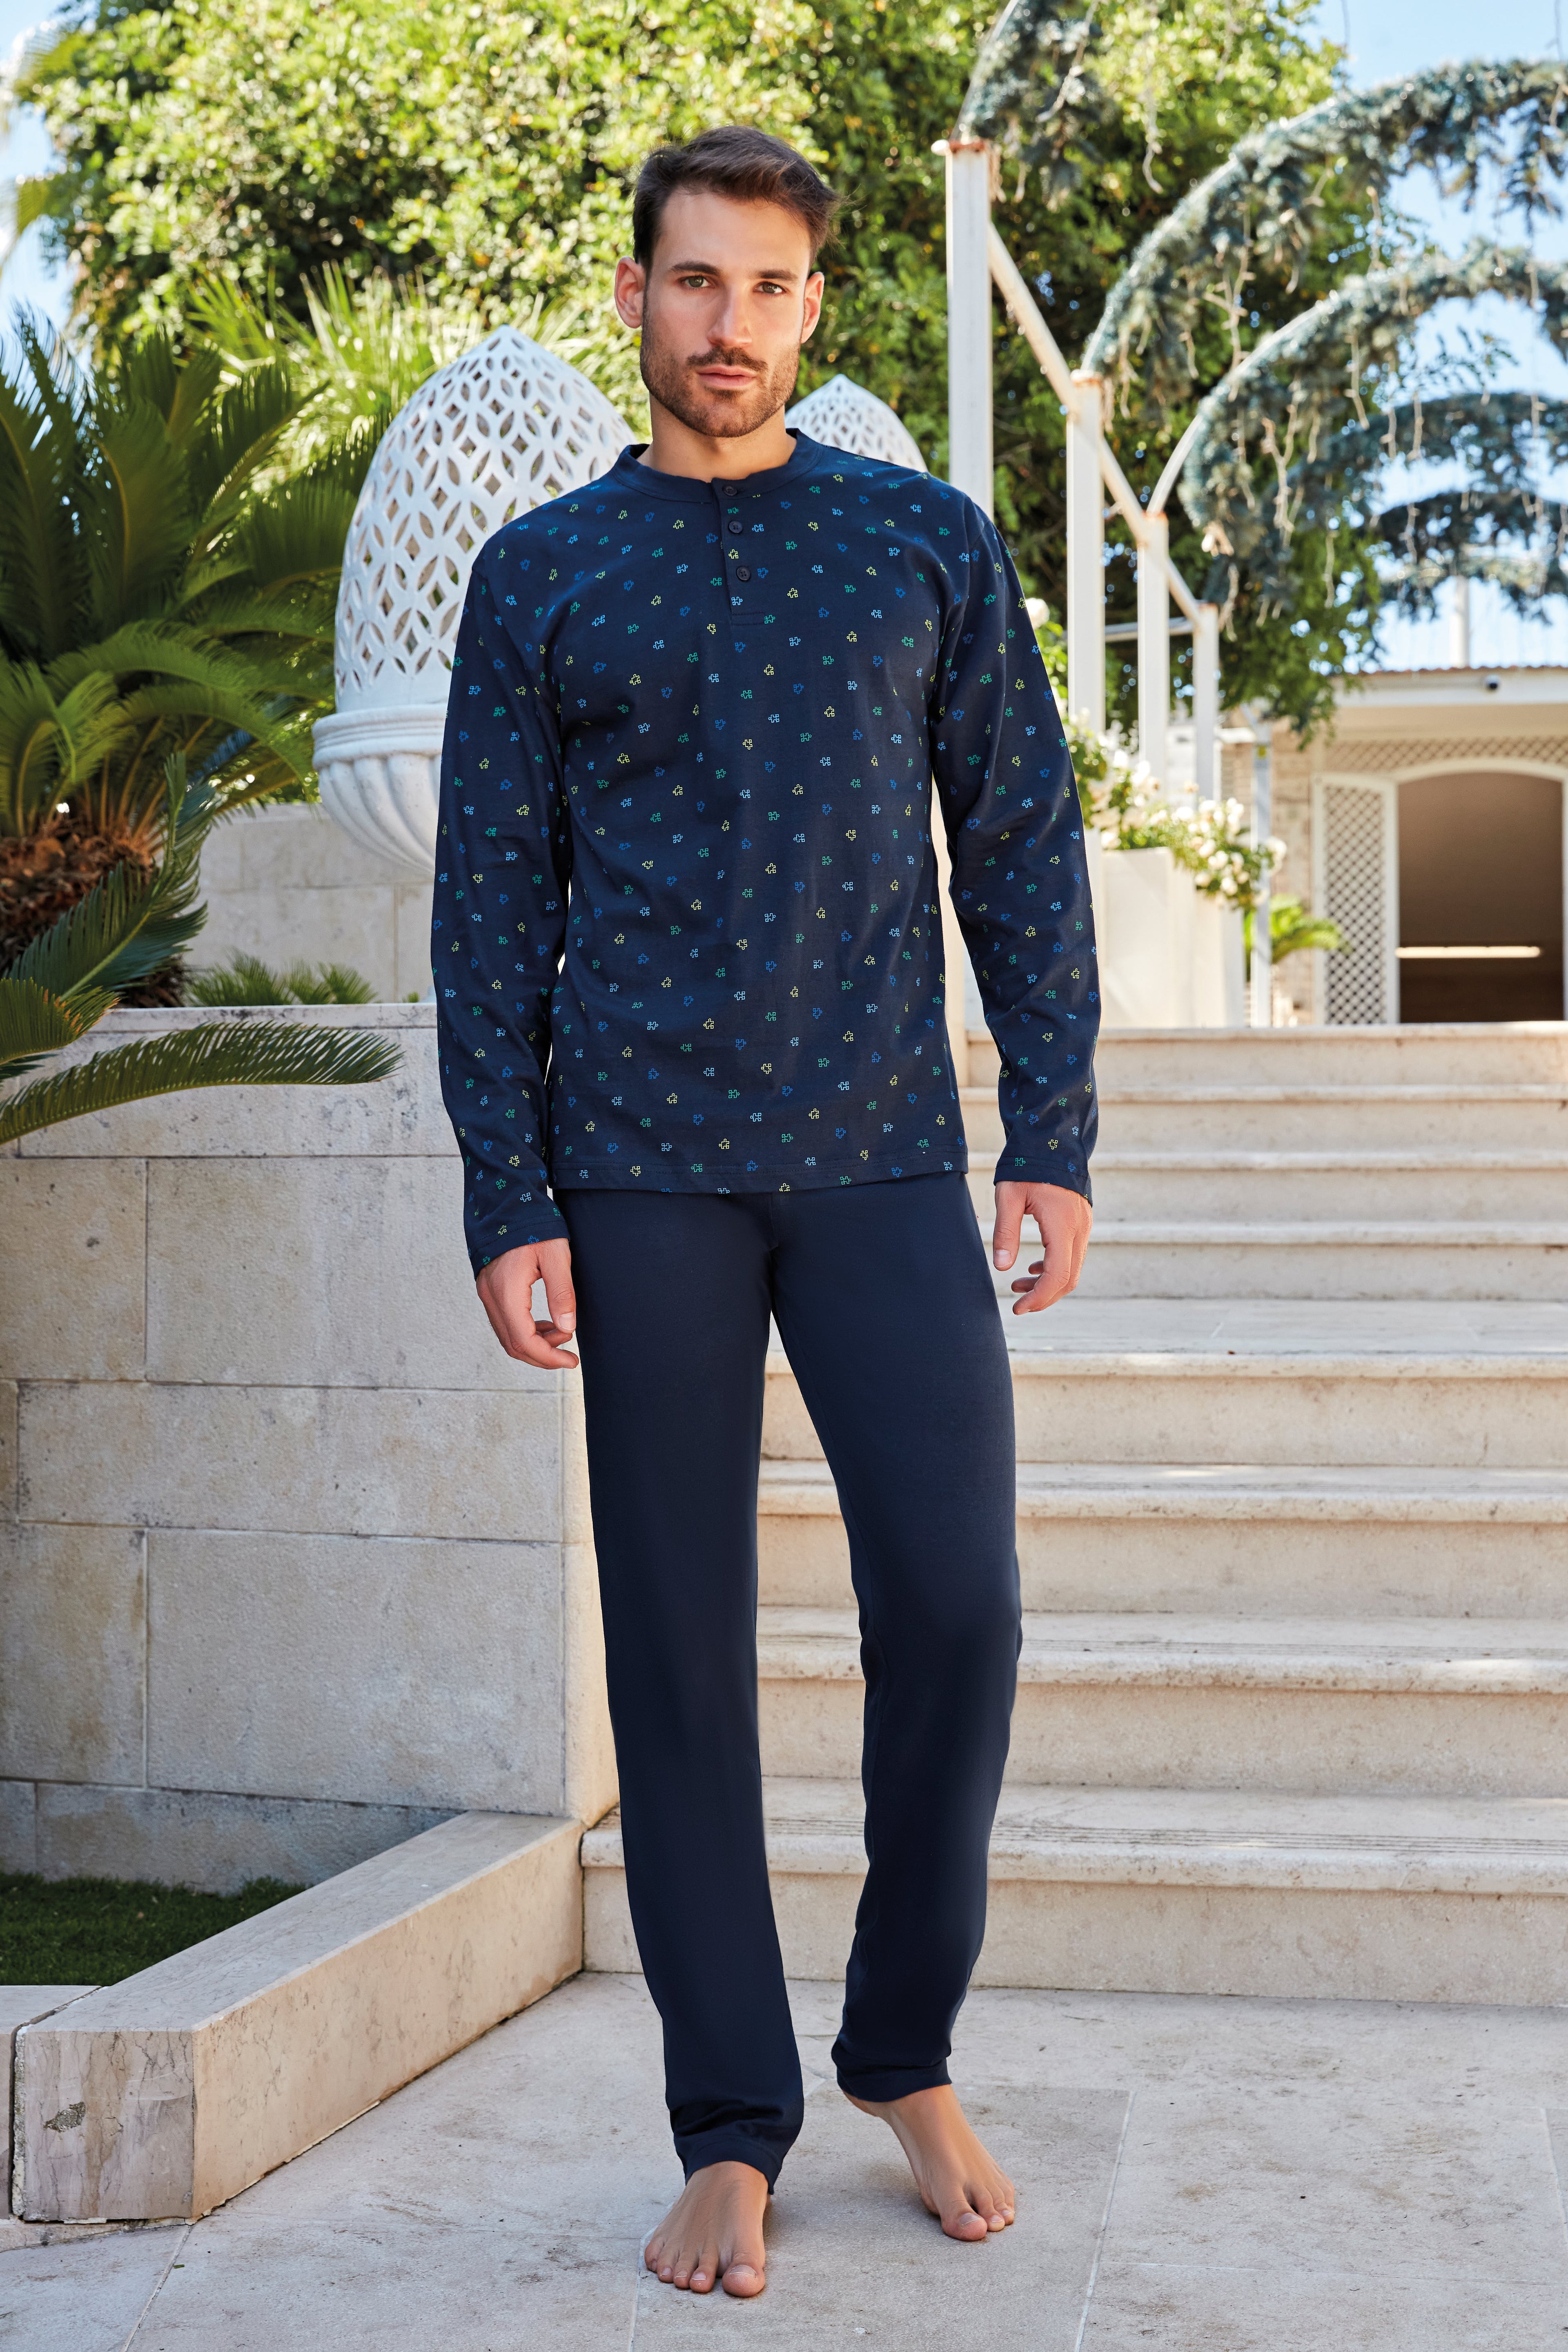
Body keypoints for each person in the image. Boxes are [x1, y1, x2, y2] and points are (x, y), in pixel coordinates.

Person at [432, 124, 1097, 2300]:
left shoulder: (922, 543)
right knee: (682, 1652)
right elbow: (490, 906)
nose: (733, 326)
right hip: (638, 1173)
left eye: (772, 287)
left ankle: (903, 2048)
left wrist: (1053, 1127)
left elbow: (1019, 842)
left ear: (816, 306)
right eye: (697, 281)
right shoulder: (542, 571)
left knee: (962, 1609)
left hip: (885, 1153)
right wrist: (507, 1188)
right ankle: (730, 2124)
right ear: (637, 293)